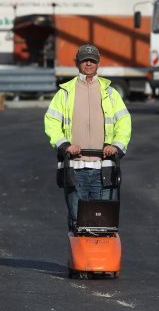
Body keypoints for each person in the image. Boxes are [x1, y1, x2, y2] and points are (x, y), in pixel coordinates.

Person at [44, 44, 132, 230]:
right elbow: (51, 122)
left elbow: (124, 122)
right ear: (78, 63)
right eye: (85, 60)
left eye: (92, 60)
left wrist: (116, 146)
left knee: (104, 221)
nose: (89, 63)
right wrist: (65, 145)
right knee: (78, 220)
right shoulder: (65, 93)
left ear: (98, 63)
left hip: (104, 167)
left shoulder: (110, 93)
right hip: (75, 167)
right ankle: (79, 259)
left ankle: (100, 259)